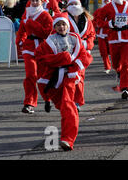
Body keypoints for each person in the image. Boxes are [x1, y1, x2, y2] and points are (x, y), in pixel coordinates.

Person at [35, 13, 92, 151]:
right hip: (54, 79)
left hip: (70, 78)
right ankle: (50, 103)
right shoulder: (49, 41)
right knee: (65, 109)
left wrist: (74, 67)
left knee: (68, 107)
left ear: (68, 25)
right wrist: (62, 58)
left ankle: (67, 139)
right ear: (55, 27)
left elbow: (86, 57)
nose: (61, 27)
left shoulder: (75, 38)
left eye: (63, 24)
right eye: (58, 25)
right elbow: (40, 57)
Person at [16, 0, 53, 114]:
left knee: (43, 77)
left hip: (42, 48)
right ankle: (29, 103)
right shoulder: (26, 13)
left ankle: (47, 99)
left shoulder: (45, 15)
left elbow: (45, 33)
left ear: (42, 2)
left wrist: (31, 23)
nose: (35, 3)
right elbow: (22, 28)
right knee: (31, 75)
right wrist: (20, 40)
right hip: (29, 47)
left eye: (37, 0)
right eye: (33, 0)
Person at [93, 0, 112, 74]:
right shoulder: (98, 11)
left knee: (112, 51)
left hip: (111, 34)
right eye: (105, 1)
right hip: (101, 34)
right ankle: (107, 66)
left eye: (107, 1)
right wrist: (96, 25)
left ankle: (117, 65)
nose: (106, 3)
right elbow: (94, 21)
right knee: (103, 52)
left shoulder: (113, 10)